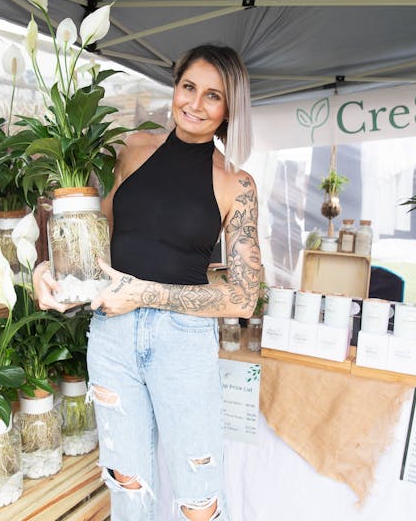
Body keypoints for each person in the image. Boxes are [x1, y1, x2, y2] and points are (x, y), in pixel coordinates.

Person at [33, 44, 261, 521]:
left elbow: (243, 297)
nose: (195, 105)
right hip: (112, 338)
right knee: (127, 488)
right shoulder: (133, 149)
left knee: (199, 497)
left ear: (229, 108)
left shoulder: (235, 184)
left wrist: (142, 294)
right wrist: (45, 268)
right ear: (175, 87)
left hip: (182, 341)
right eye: (188, 87)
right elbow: (90, 231)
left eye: (213, 96)